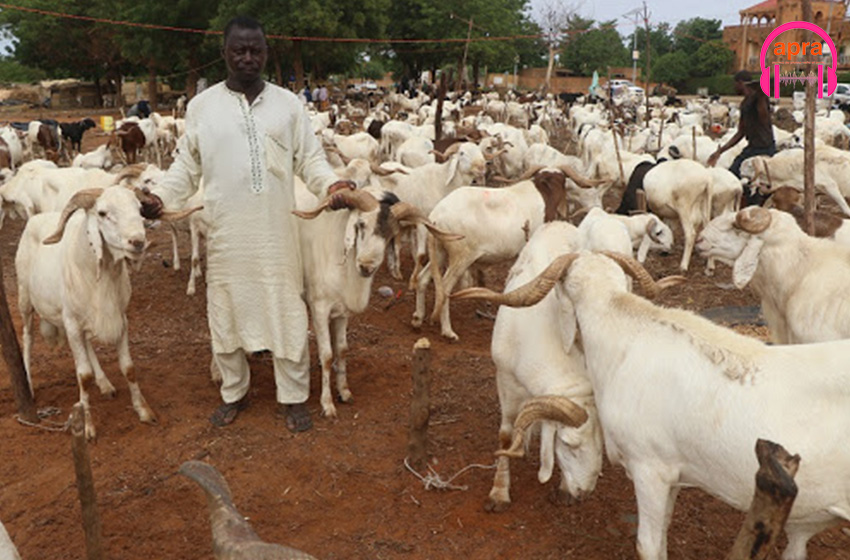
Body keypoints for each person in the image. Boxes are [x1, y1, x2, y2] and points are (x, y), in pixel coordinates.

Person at [140, 15, 355, 433]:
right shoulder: (202, 107)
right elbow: (186, 165)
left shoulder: (288, 105)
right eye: (239, 49)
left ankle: (293, 398)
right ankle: (233, 393)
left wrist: (333, 184)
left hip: (278, 233)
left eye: (255, 49)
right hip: (225, 232)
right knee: (225, 312)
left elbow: (310, 159)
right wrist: (161, 198)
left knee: (287, 312)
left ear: (266, 53)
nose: (247, 57)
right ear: (224, 53)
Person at [707, 70, 776, 205]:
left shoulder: (760, 99)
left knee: (764, 183)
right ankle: (743, 204)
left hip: (765, 149)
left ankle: (757, 206)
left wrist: (762, 95)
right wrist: (720, 151)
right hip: (752, 148)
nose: (734, 87)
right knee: (733, 173)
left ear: (740, 83)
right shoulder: (745, 103)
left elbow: (764, 118)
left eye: (735, 84)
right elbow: (741, 132)